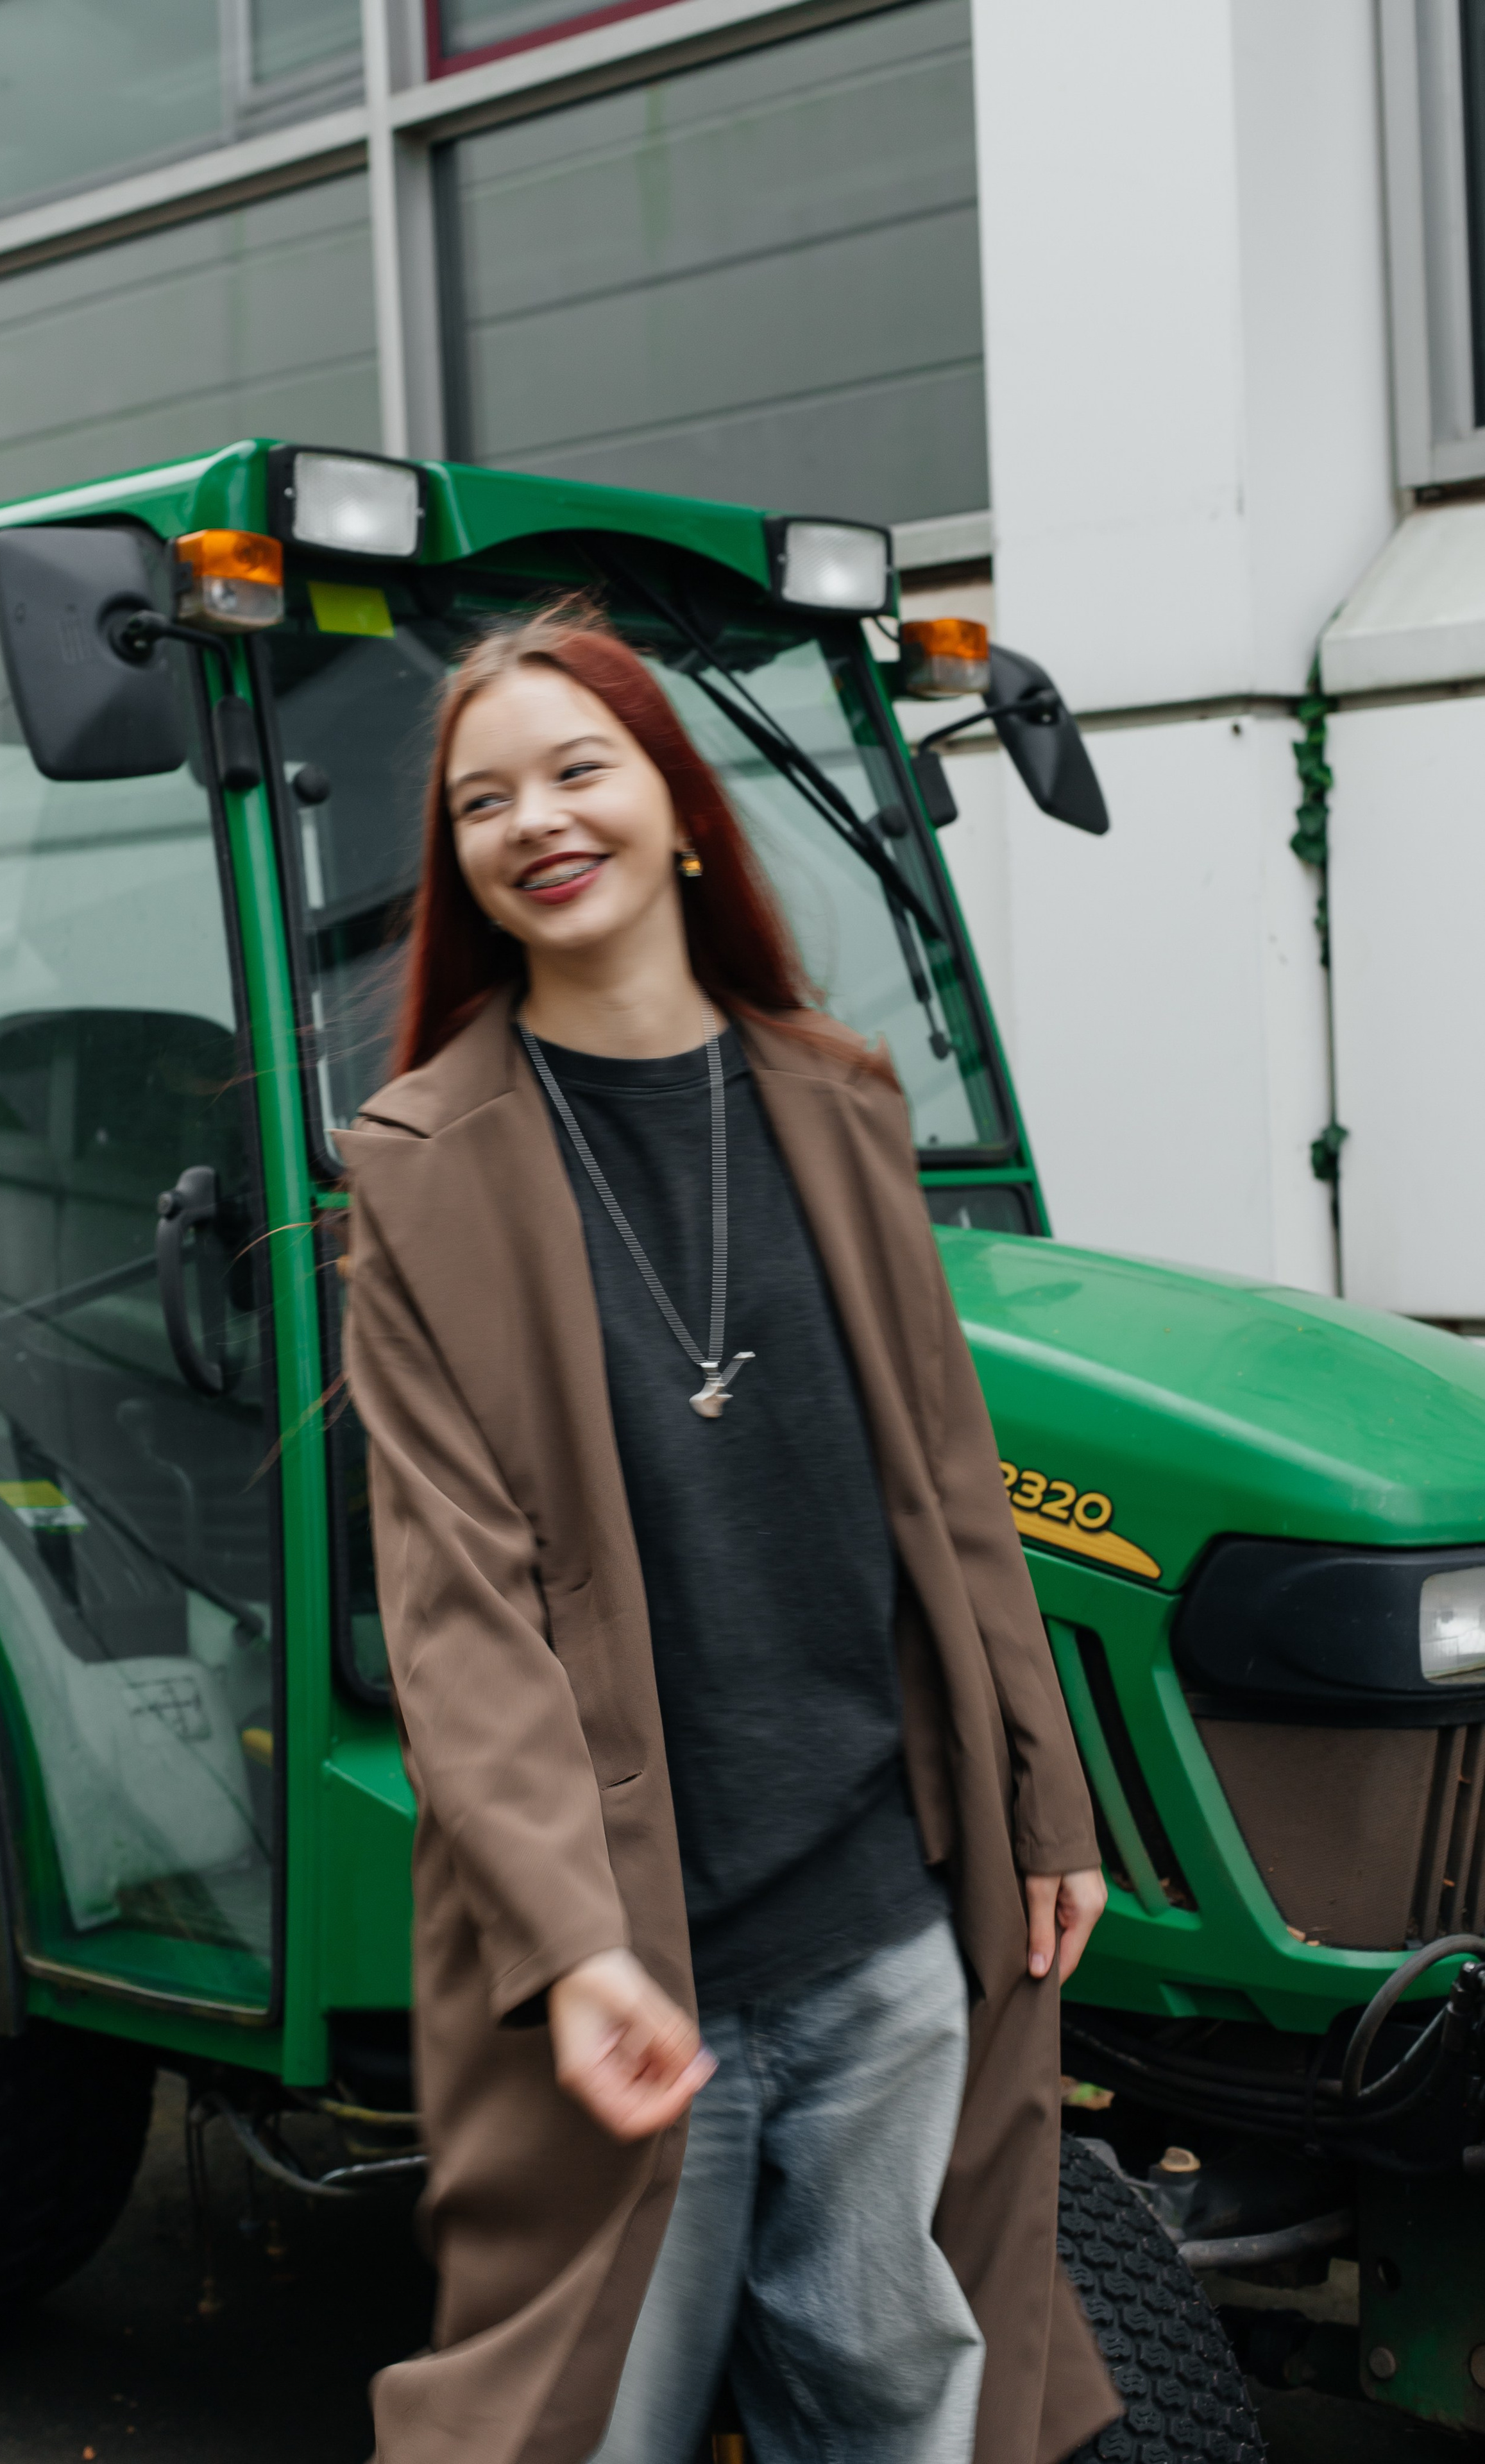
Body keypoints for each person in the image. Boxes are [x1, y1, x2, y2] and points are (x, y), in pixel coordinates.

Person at [339, 603, 1119, 2464]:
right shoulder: (425, 1165)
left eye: (577, 769)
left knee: (899, 2406)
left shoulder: (838, 1105)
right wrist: (580, 1944)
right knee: (584, 2423)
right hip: (624, 1966)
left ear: (679, 807)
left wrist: (1045, 1798)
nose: (533, 820)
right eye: (480, 803)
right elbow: (462, 1619)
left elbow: (949, 1488)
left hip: (877, 1925)